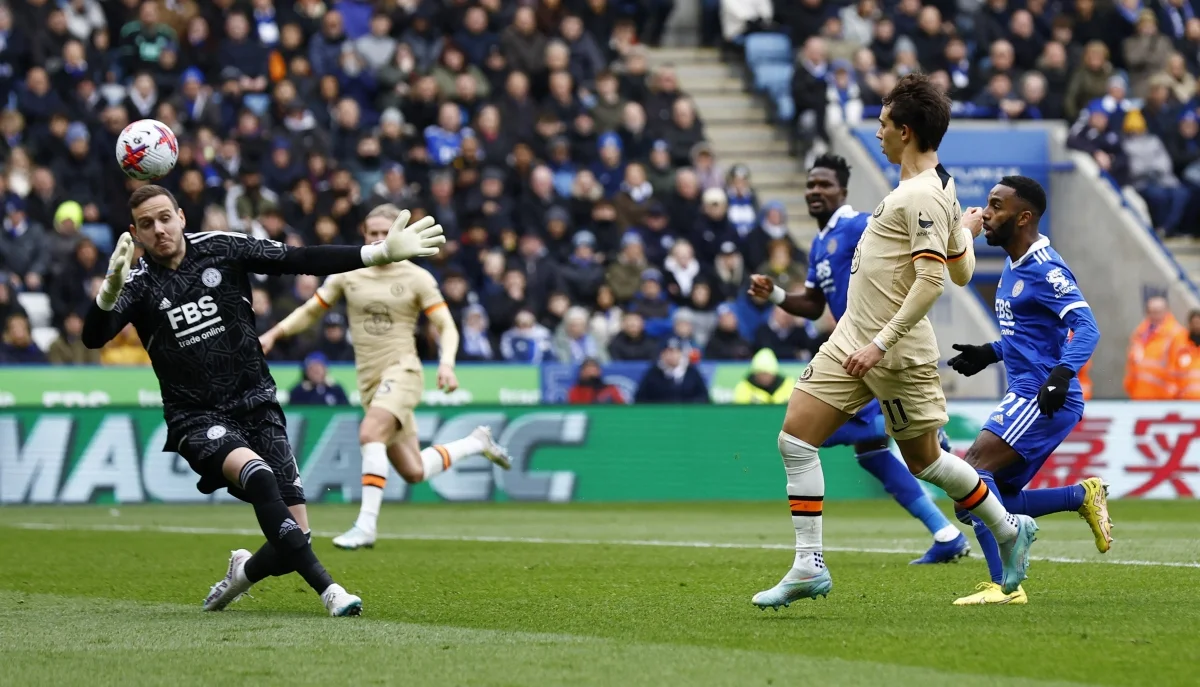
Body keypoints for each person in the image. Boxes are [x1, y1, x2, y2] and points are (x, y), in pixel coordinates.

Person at [81, 185, 446, 617]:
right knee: (258, 476)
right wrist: (108, 292)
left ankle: (243, 573)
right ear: (135, 232)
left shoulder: (221, 247)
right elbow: (94, 337)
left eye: (164, 218)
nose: (158, 229)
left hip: (257, 403)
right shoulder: (137, 282)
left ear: (181, 217)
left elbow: (298, 259)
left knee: (294, 538)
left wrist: (377, 253)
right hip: (196, 416)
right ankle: (331, 591)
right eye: (147, 224)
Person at [747, 74, 1037, 611]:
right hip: (852, 337)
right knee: (795, 439)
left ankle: (1008, 527)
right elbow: (962, 269)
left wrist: (880, 344)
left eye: (883, 124)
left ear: (905, 132)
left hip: (893, 352)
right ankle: (809, 564)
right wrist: (965, 231)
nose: (878, 132)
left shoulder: (923, 194)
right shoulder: (940, 187)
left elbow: (934, 282)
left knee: (927, 462)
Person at [749, 153, 970, 566]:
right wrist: (775, 295)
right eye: (811, 185)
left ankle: (929, 436)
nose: (815, 191)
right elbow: (814, 304)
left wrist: (959, 235)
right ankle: (946, 533)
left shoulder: (858, 225)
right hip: (854, 351)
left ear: (843, 190)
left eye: (824, 184)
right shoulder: (821, 243)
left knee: (808, 437)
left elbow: (908, 251)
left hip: (875, 347)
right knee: (871, 454)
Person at [260, 203, 511, 551]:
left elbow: (446, 326)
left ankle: (366, 525)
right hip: (370, 383)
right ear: (364, 235)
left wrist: (447, 363)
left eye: (385, 232)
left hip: (403, 371)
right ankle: (476, 443)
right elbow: (311, 311)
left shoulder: (417, 277)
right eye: (373, 233)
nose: (379, 238)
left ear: (399, 234)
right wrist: (274, 334)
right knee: (413, 470)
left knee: (369, 432)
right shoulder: (347, 273)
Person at [945, 176, 1111, 605]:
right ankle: (1080, 496)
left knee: (972, 472)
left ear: (1023, 217)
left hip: (1041, 394)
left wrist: (1061, 375)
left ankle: (1006, 587)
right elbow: (1030, 336)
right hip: (1027, 388)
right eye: (987, 205)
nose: (985, 214)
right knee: (978, 500)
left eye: (996, 206)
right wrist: (990, 352)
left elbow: (1087, 328)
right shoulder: (1015, 263)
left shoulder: (1045, 269)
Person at [1124, 294, 1186, 399]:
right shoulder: (1140, 333)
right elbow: (1132, 364)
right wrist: (1130, 387)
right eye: (1151, 312)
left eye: (1158, 312)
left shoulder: (1176, 334)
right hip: (1139, 394)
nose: (1154, 316)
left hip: (1164, 397)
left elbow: (1180, 369)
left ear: (1166, 311)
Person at [634, 337, 710, 403]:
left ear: (681, 354)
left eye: (676, 352)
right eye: (669, 352)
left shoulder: (691, 372)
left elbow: (703, 396)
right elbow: (641, 398)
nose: (673, 356)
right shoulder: (653, 372)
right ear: (662, 354)